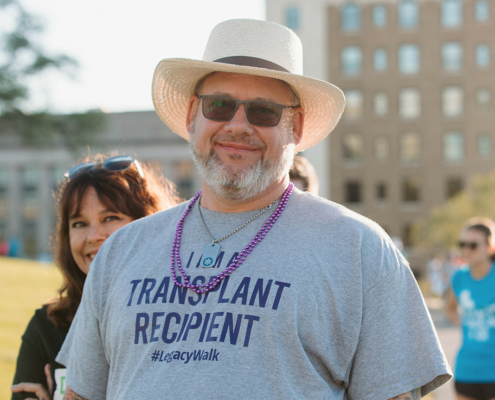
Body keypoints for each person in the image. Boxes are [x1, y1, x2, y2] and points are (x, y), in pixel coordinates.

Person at [57, 19, 451, 400]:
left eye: (263, 111)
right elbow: (82, 393)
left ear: (295, 128)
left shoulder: (359, 249)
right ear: (194, 115)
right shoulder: (122, 250)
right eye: (220, 105)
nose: (238, 125)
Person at [11, 154, 180, 400]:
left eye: (110, 218)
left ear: (149, 224)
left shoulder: (182, 320)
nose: (93, 236)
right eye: (79, 223)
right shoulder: (47, 325)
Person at [446, 218, 495, 400]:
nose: (466, 250)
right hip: (467, 369)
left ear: (490, 246)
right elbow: (450, 308)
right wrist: (465, 322)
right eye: (463, 244)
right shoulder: (458, 278)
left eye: (473, 245)